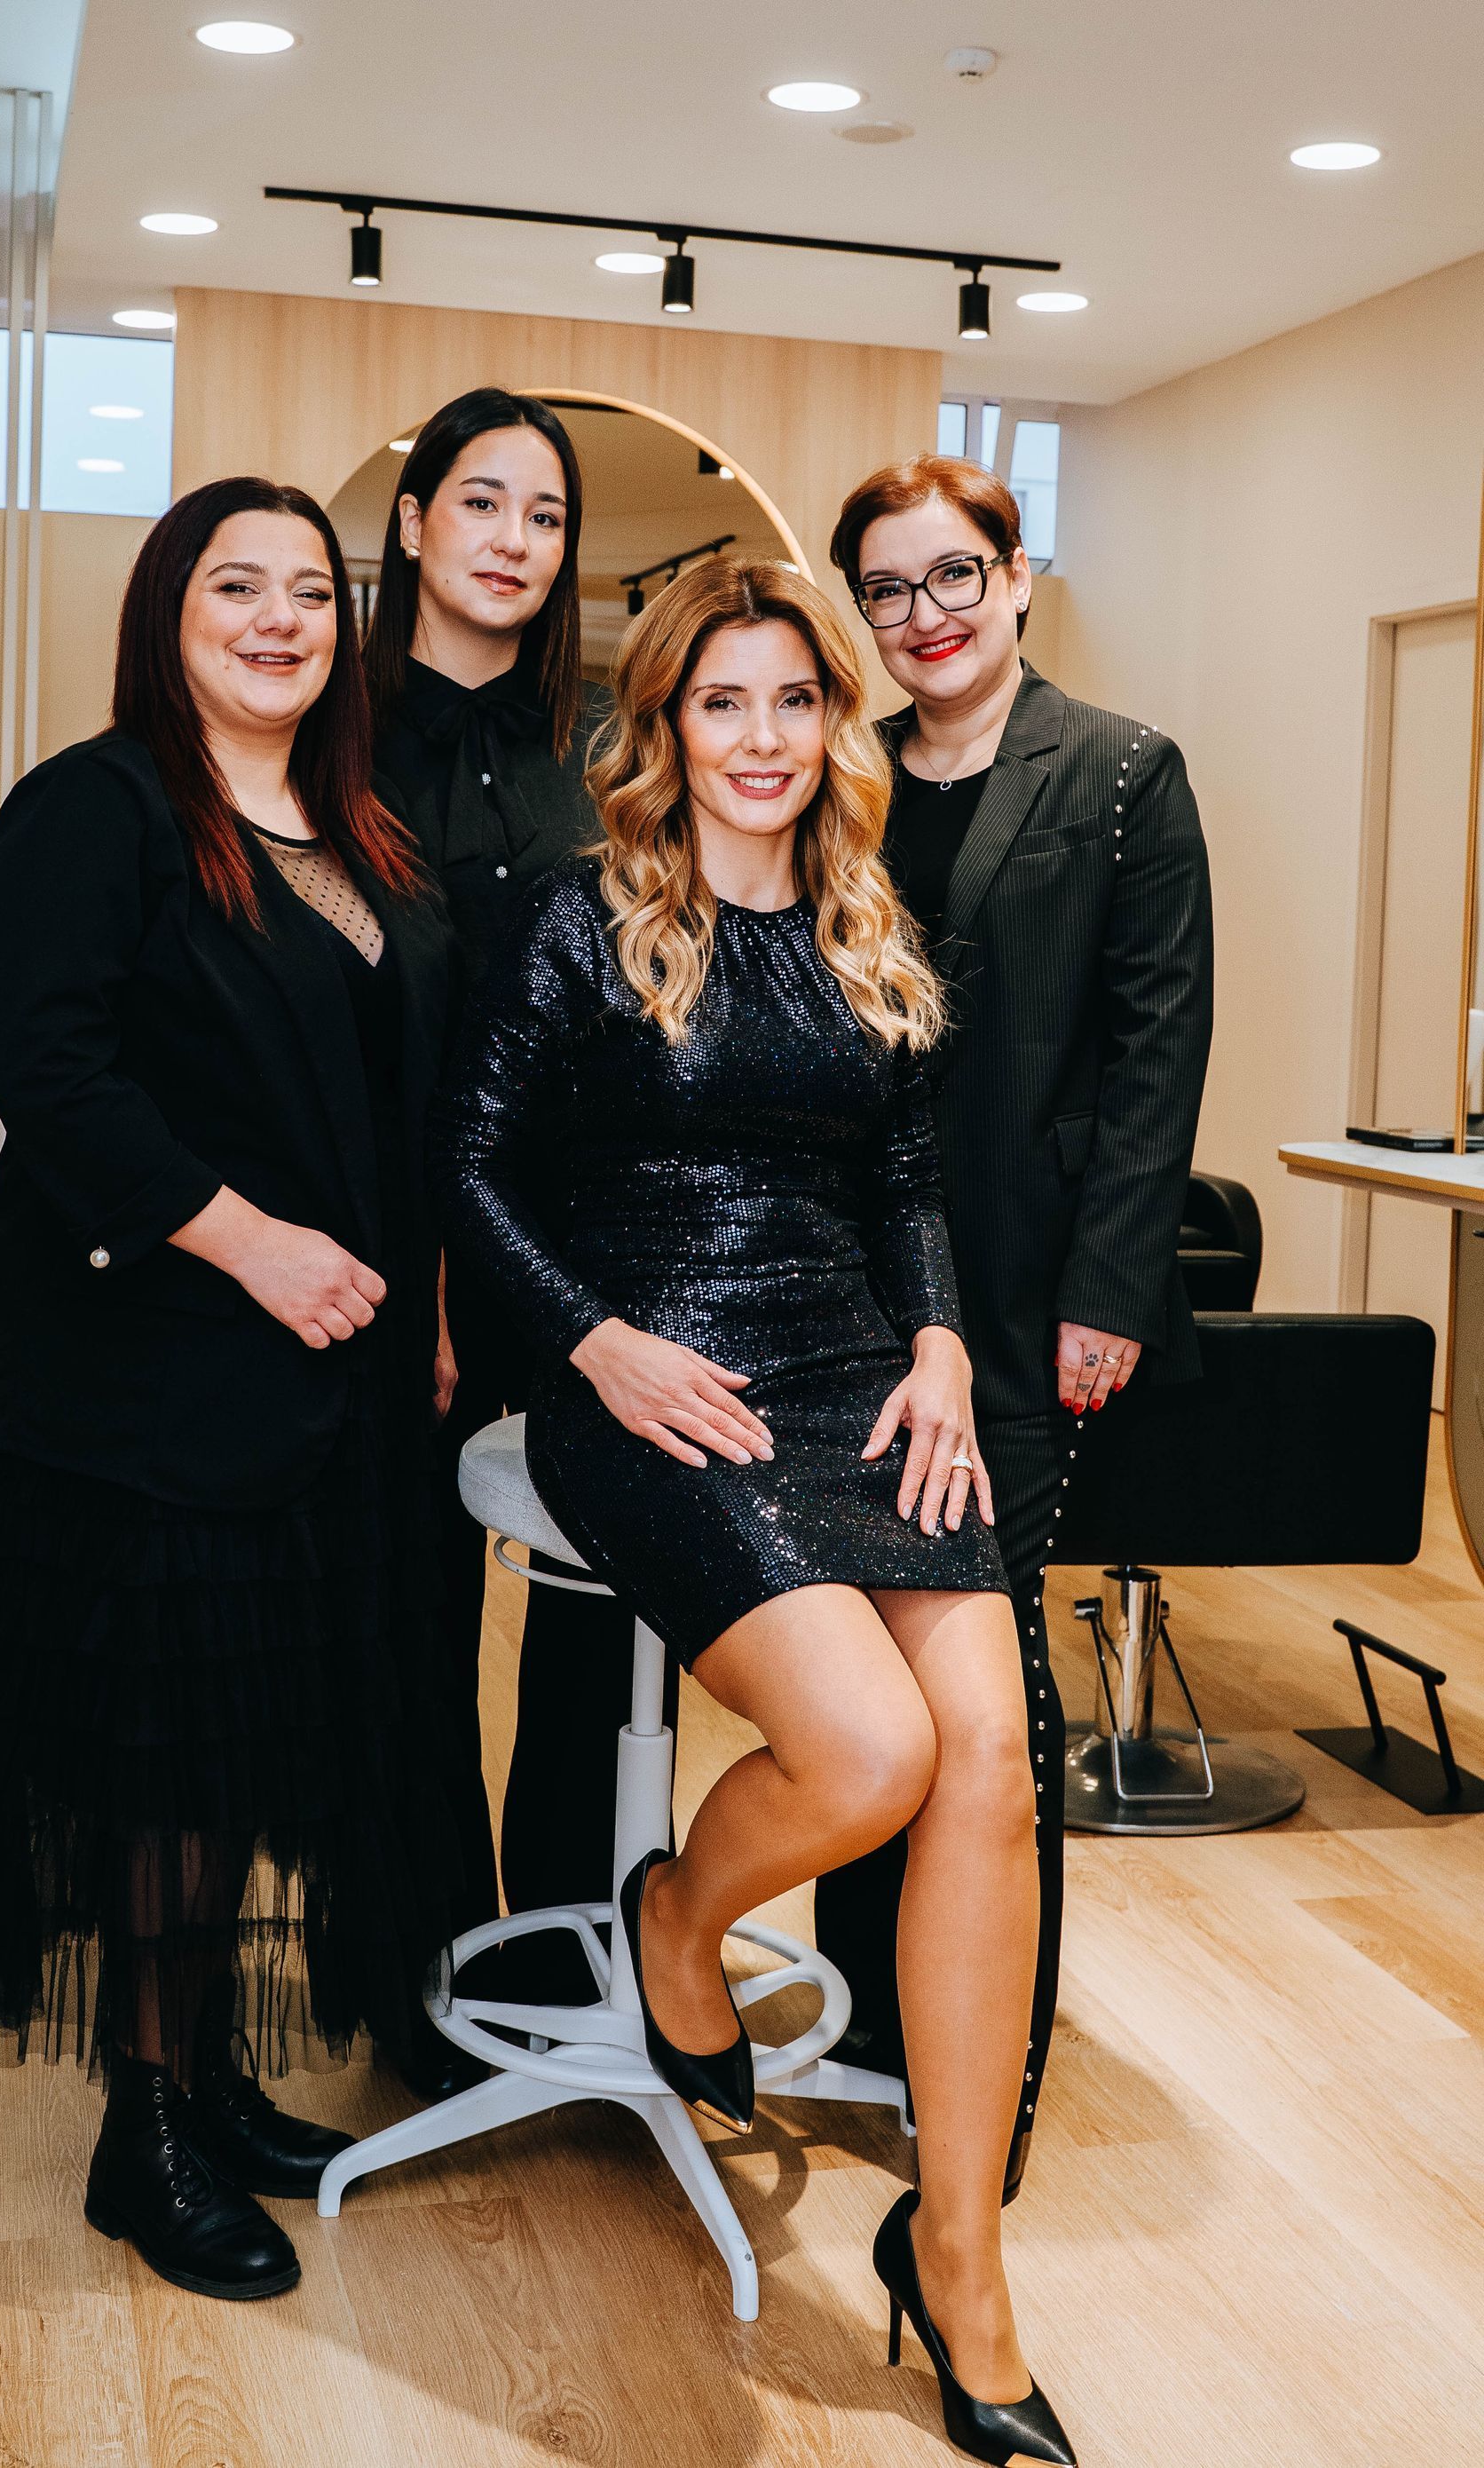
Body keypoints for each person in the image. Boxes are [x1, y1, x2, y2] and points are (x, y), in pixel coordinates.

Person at [436, 557, 1077, 2465]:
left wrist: (946, 1345)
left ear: (834, 722)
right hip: (645, 1367)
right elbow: (467, 1170)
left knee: (991, 1763)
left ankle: (956, 2254)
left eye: (798, 701)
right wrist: (593, 1344)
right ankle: (679, 1914)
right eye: (726, 702)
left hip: (853, 1366)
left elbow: (898, 1175)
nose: (765, 739)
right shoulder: (575, 915)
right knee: (869, 1748)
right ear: (670, 725)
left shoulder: (868, 916)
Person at [0, 476, 464, 2303]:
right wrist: (256, 1245)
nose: (281, 618)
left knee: (251, 1742)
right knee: (166, 1754)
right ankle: (140, 2130)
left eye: (312, 590)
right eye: (239, 585)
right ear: (170, 610)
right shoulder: (99, 807)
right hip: (152, 1374)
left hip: (334, 1382)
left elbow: (399, 1108)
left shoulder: (353, 828)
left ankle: (208, 2075)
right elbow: (58, 1086)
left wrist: (427, 1296)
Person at [819, 454, 1212, 2201]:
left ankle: (986, 2069)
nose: (927, 614)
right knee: (851, 1660)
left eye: (954, 573)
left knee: (987, 1677)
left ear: (1017, 571)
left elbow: (1157, 1052)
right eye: (890, 590)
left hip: (1033, 1289)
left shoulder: (1123, 775)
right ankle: (851, 2011)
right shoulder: (837, 779)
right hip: (842, 1293)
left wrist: (1110, 1296)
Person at [365, 388, 650, 2015]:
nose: (514, 544)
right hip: (387, 1243)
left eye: (544, 519)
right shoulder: (316, 734)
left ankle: (574, 1966)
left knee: (599, 1620)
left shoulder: (600, 759)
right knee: (405, 1614)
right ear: (413, 524)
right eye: (483, 505)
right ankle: (422, 1980)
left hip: (575, 1253)